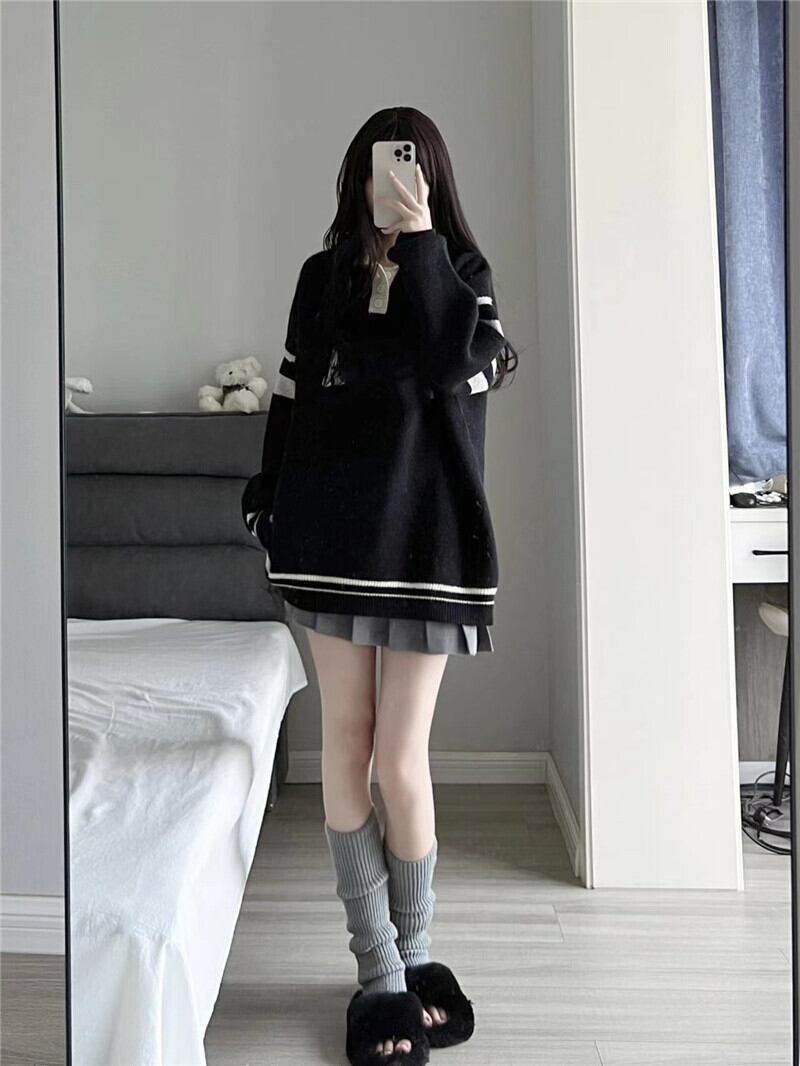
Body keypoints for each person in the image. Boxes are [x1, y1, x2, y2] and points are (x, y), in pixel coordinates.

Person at [242, 106, 517, 1066]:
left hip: (426, 545)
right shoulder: (321, 279)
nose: (389, 181)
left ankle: (419, 953)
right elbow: (290, 399)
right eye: (377, 167)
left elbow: (451, 363)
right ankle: (380, 973)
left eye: (407, 167)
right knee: (346, 746)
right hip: (328, 537)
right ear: (356, 178)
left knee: (401, 758)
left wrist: (423, 243)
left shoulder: (463, 275)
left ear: (429, 179)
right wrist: (266, 499)